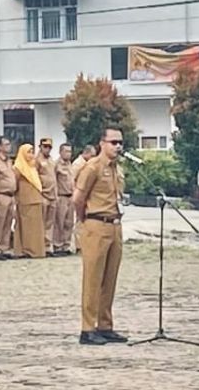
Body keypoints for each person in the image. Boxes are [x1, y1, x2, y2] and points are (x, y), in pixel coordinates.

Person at [74, 128, 127, 345]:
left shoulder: (117, 168)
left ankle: (105, 325)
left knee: (110, 278)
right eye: (113, 142)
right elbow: (78, 198)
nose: (118, 146)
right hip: (96, 224)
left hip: (114, 224)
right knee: (93, 279)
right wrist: (84, 219)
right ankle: (87, 328)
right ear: (102, 143)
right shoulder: (93, 167)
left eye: (120, 142)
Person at [14, 143, 45, 258]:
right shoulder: (18, 167)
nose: (31, 155)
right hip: (24, 200)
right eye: (28, 152)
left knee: (36, 227)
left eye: (32, 152)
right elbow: (15, 183)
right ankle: (25, 250)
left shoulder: (32, 167)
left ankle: (37, 250)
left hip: (36, 199)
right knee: (26, 227)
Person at [0, 136, 17, 259]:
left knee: (8, 222)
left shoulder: (9, 161)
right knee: (0, 222)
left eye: (9, 144)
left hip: (11, 196)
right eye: (6, 144)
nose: (9, 146)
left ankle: (4, 247)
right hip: (1, 195)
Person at [53, 143, 76, 256]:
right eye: (66, 151)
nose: (68, 154)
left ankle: (66, 245)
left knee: (69, 223)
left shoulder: (70, 164)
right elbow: (54, 181)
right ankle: (58, 246)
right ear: (60, 152)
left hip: (70, 196)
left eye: (70, 151)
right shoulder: (56, 165)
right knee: (59, 222)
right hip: (61, 196)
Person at [37, 138, 57, 255]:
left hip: (52, 195)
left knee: (50, 223)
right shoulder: (37, 160)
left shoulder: (52, 160)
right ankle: (40, 246)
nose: (47, 149)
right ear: (40, 147)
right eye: (45, 146)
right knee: (42, 222)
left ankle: (47, 245)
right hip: (43, 194)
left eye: (49, 147)